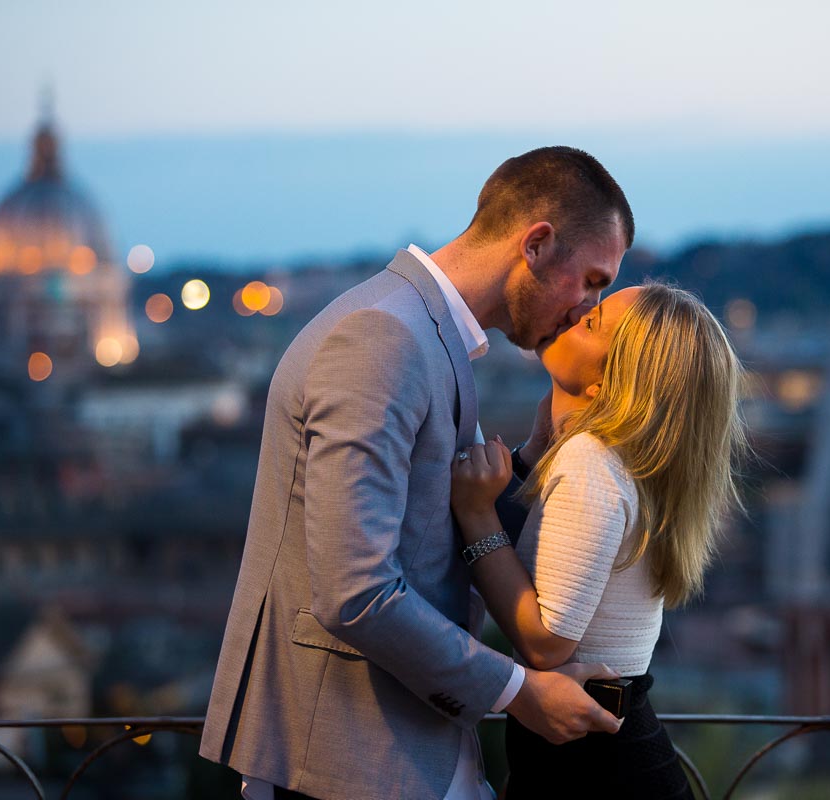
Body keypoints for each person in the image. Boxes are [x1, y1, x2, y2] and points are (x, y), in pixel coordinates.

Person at [199, 146, 636, 800]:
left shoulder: (421, 330)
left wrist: (530, 459)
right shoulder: (385, 337)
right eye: (594, 281)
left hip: (395, 752)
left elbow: (424, 532)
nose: (584, 308)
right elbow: (355, 592)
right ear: (537, 244)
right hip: (345, 760)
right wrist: (519, 694)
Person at [451, 283, 746, 799]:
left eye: (592, 321)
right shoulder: (617, 461)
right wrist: (531, 455)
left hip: (593, 765)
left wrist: (477, 518)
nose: (576, 310)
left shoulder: (591, 460)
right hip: (612, 744)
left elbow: (548, 643)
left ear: (606, 385)